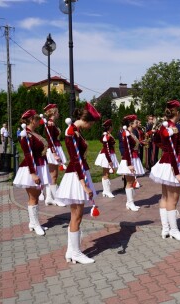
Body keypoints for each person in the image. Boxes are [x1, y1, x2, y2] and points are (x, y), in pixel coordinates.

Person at [56, 102, 101, 264]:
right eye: (92, 123)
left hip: (79, 173)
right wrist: (84, 184)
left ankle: (71, 251)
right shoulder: (72, 132)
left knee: (76, 216)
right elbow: (75, 160)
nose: (91, 126)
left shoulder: (76, 131)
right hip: (77, 176)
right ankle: (75, 253)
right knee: (77, 216)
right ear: (87, 120)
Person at [149, 100, 180, 241]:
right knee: (172, 199)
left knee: (165, 197)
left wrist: (164, 148)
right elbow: (172, 151)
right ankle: (174, 230)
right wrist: (177, 173)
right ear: (177, 112)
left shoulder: (165, 126)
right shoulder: (172, 128)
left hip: (166, 162)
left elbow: (155, 139)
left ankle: (165, 229)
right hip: (173, 163)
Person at [13, 110, 52, 236]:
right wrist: (33, 173)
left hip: (39, 165)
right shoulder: (26, 134)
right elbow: (28, 155)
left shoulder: (33, 133)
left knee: (36, 195)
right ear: (31, 120)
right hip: (32, 167)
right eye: (36, 120)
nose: (39, 122)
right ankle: (35, 224)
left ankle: (33, 222)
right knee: (34, 197)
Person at [116, 114, 146, 211]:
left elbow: (133, 145)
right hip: (129, 158)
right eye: (135, 122)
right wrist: (129, 164)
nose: (137, 123)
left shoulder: (132, 133)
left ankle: (130, 202)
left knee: (132, 181)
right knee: (129, 182)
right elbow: (127, 149)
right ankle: (130, 203)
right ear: (130, 123)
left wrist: (141, 143)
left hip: (134, 157)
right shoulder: (127, 133)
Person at [42, 104, 67, 207]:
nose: (59, 114)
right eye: (57, 112)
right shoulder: (50, 124)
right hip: (53, 149)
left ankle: (49, 197)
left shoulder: (52, 124)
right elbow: (50, 140)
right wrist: (54, 153)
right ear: (53, 113)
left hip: (55, 148)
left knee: (52, 175)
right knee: (54, 176)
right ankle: (56, 198)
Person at [94, 119, 119, 198]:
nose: (113, 128)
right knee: (106, 173)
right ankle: (107, 191)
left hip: (109, 154)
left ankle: (105, 191)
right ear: (110, 127)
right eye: (112, 126)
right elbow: (107, 148)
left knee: (105, 173)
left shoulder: (108, 135)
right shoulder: (106, 136)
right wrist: (109, 160)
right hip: (107, 155)